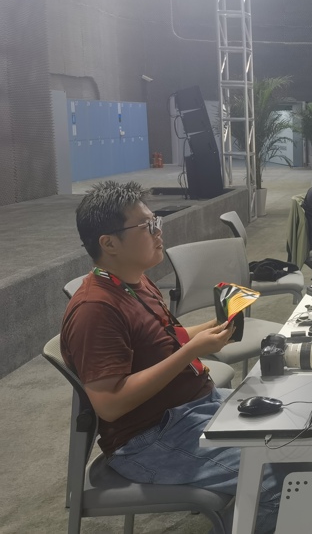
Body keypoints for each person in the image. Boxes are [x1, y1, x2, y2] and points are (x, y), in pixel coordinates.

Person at [60, 181, 283, 533]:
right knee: (276, 485)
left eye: (156, 221)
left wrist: (212, 327)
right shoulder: (95, 310)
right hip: (149, 440)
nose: (158, 231)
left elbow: (165, 340)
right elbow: (109, 404)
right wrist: (191, 352)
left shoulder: (136, 281)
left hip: (193, 409)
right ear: (109, 243)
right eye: (147, 226)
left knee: (298, 441)